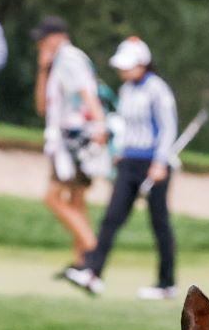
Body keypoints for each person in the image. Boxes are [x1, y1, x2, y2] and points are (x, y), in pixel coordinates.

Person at [67, 37, 180, 299]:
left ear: (143, 64)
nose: (123, 70)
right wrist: (120, 151)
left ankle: (166, 284)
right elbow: (126, 125)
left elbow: (167, 127)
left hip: (153, 163)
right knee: (111, 218)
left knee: (159, 223)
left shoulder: (157, 89)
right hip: (129, 161)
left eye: (128, 66)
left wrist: (160, 162)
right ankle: (93, 272)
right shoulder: (127, 89)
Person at [29, 17, 107, 278]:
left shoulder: (70, 58)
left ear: (57, 37)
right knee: (75, 199)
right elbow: (42, 107)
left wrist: (99, 126)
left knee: (52, 197)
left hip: (74, 141)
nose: (40, 43)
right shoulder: (55, 65)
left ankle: (94, 254)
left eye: (43, 38)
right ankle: (82, 263)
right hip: (65, 140)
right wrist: (42, 69)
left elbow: (88, 94)